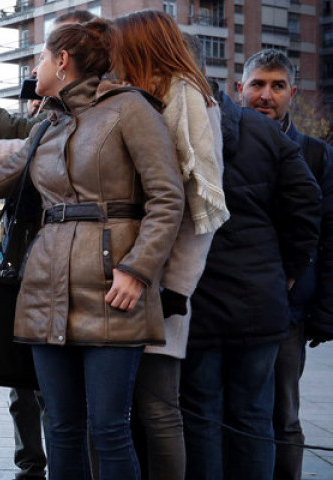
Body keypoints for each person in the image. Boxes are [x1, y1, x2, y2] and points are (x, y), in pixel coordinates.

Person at [0, 19, 185, 480]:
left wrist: (138, 270)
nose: (37, 66)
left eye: (41, 58)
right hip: (45, 288)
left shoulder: (130, 109)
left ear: (62, 62)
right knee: (62, 426)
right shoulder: (46, 124)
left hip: (112, 287)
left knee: (109, 429)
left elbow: (168, 197)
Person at [180, 59, 321, 480]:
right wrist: (289, 270)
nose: (266, 95)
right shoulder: (266, 132)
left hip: (201, 296)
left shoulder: (178, 127)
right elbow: (306, 202)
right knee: (254, 415)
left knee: (202, 413)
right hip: (261, 301)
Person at [112, 11, 227, 480]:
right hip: (123, 274)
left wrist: (176, 287)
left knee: (159, 408)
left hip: (163, 286)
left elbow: (200, 208)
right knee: (120, 413)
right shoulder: (133, 99)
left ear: (141, 46)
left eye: (119, 46)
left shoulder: (191, 102)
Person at [237, 48, 333, 480]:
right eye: (257, 84)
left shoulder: (316, 155)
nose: (266, 95)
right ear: (240, 89)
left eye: (277, 86)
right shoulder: (221, 143)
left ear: (292, 92)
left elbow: (329, 237)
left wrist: (326, 313)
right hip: (225, 302)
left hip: (289, 308)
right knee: (227, 411)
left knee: (284, 416)